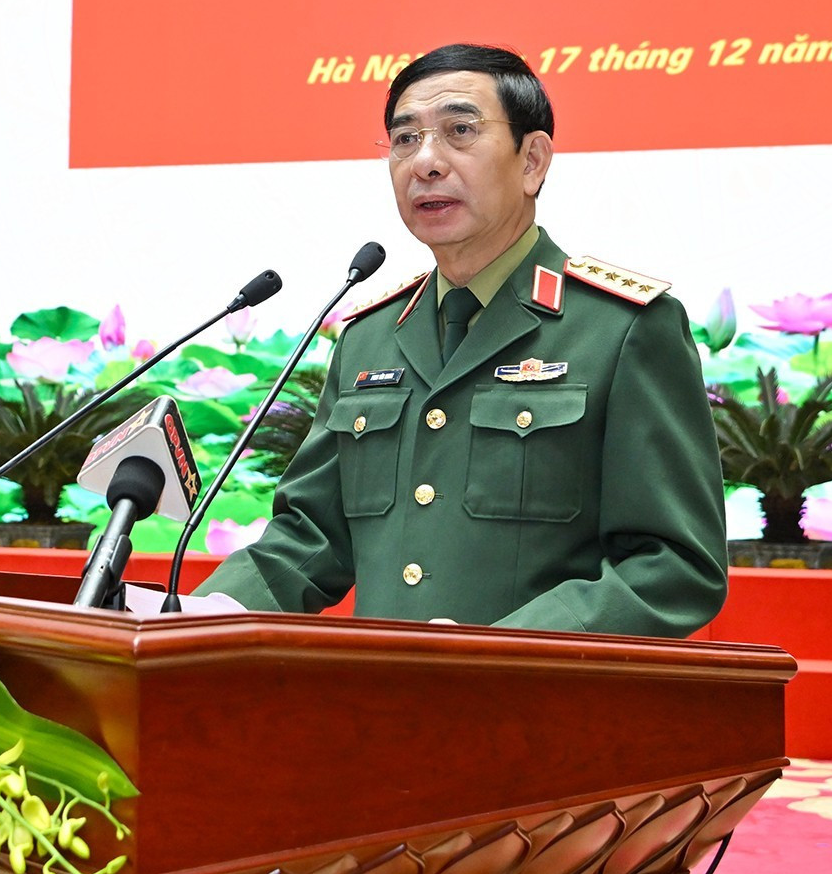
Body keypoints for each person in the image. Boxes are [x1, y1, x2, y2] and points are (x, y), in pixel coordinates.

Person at [197, 43, 727, 636]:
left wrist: (498, 654)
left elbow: (674, 566)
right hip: (382, 708)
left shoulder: (623, 329)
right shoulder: (370, 337)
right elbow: (308, 540)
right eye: (404, 140)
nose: (425, 162)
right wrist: (191, 620)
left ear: (533, 161)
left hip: (539, 710)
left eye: (460, 131)